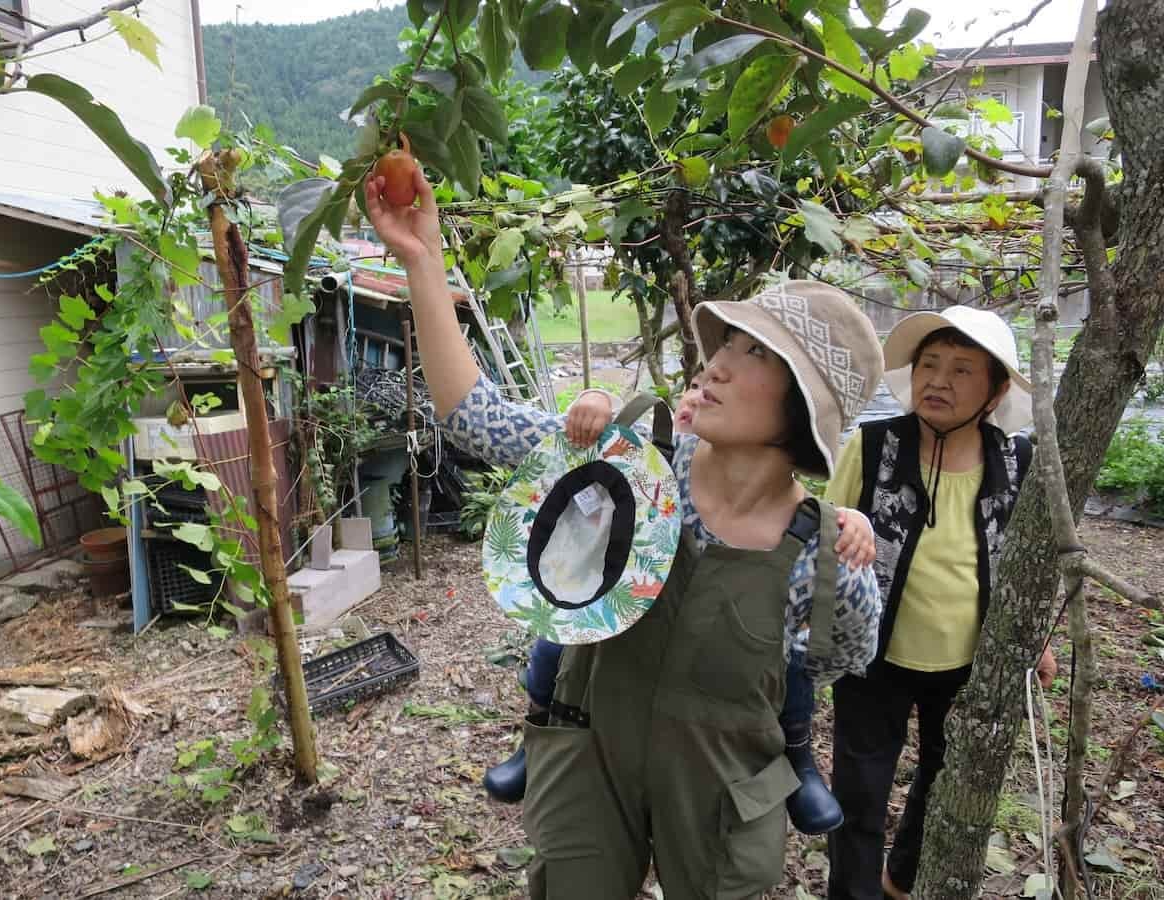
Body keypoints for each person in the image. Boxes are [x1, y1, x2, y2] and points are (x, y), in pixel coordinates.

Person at [366, 167, 885, 899]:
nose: (719, 364)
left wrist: (840, 530)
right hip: (589, 759)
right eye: (728, 342)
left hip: (722, 788)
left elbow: (838, 662)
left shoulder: (826, 560)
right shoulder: (632, 465)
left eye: (756, 354)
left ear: (804, 411)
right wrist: (424, 261)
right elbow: (471, 413)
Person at [486, 372, 872, 837]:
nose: (699, 390)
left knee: (791, 666)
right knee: (555, 640)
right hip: (611, 615)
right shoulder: (648, 463)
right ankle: (538, 731)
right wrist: (594, 401)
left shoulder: (797, 530)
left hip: (720, 710)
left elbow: (847, 647)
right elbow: (529, 441)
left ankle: (798, 755)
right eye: (690, 387)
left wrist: (843, 522)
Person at [823, 307, 1058, 900]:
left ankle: (901, 878)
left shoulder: (1014, 461)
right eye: (928, 365)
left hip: (968, 661)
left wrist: (1039, 641)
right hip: (871, 653)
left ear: (995, 389)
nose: (938, 381)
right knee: (860, 790)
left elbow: (1023, 560)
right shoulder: (873, 448)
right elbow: (825, 530)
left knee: (942, 777)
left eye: (960, 370)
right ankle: (853, 894)